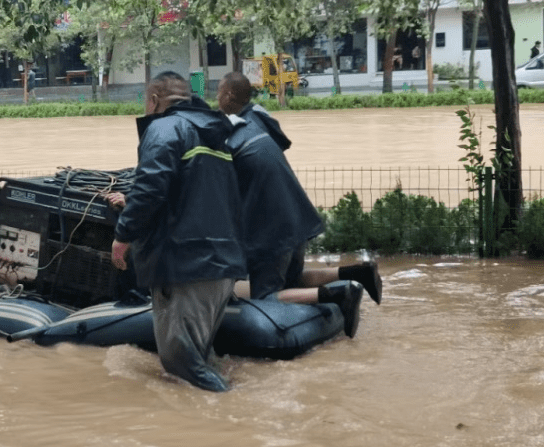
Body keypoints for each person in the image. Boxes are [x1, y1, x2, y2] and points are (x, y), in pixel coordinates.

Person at [216, 72, 382, 338]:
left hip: (270, 230)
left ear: (228, 96)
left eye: (217, 93)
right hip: (297, 218)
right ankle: (358, 273)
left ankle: (339, 294)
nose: (216, 100)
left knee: (265, 298)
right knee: (291, 279)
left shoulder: (227, 140)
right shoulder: (258, 120)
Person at [110, 71, 246, 392]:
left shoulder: (163, 128)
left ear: (155, 100)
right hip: (222, 265)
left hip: (186, 267)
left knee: (180, 363)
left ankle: (236, 419)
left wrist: (122, 236)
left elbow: (150, 188)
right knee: (201, 357)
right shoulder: (216, 136)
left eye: (146, 101)